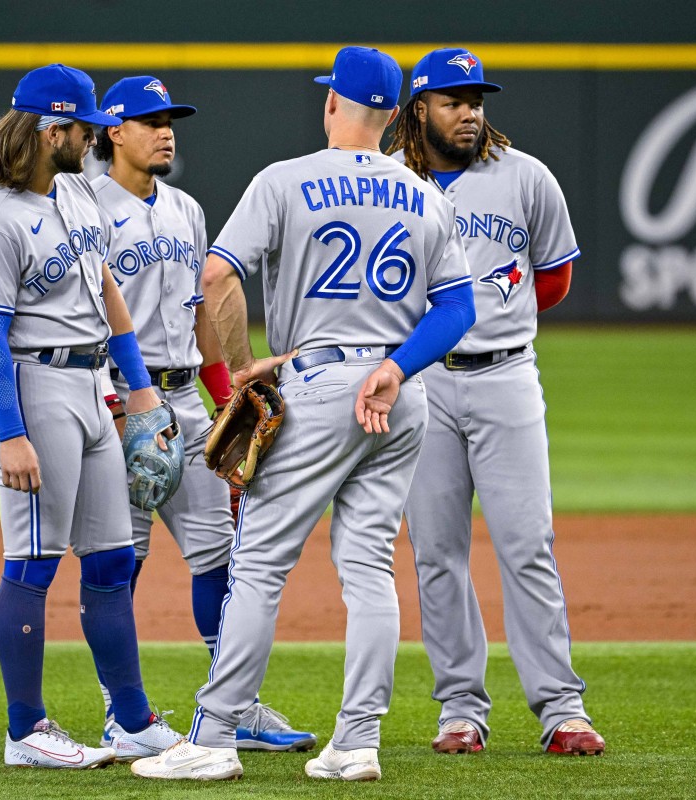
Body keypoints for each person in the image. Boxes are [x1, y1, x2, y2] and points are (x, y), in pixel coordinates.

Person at [130, 46, 476, 782]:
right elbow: (459, 309)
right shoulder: (427, 194)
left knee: (256, 567)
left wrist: (238, 370)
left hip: (316, 388)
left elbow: (217, 277)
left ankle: (215, 738)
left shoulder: (285, 179)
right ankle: (356, 743)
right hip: (397, 395)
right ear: (392, 116)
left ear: (331, 103)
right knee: (369, 567)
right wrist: (394, 369)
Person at [88, 74, 315, 757]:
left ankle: (233, 707)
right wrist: (111, 406)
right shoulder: (85, 209)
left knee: (222, 555)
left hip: (186, 398)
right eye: (150, 120)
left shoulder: (186, 208)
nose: (166, 131)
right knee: (119, 561)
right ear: (112, 132)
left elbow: (201, 316)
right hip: (121, 401)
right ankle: (119, 715)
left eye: (171, 120)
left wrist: (225, 402)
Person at [387, 47, 605, 757]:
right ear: (419, 108)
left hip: (508, 378)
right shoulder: (389, 184)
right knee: (435, 551)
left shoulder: (525, 177)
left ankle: (562, 709)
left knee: (527, 543)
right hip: (421, 385)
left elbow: (555, 279)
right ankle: (460, 710)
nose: (470, 110)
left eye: (476, 98)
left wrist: (496, 320)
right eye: (453, 99)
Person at [0, 63, 181, 769]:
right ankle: (25, 731)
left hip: (91, 386)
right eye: (86, 129)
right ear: (51, 129)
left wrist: (141, 390)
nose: (95, 138)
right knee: (32, 561)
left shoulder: (80, 196)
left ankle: (135, 720)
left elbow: (109, 292)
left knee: (113, 560)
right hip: (34, 386)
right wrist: (13, 434)